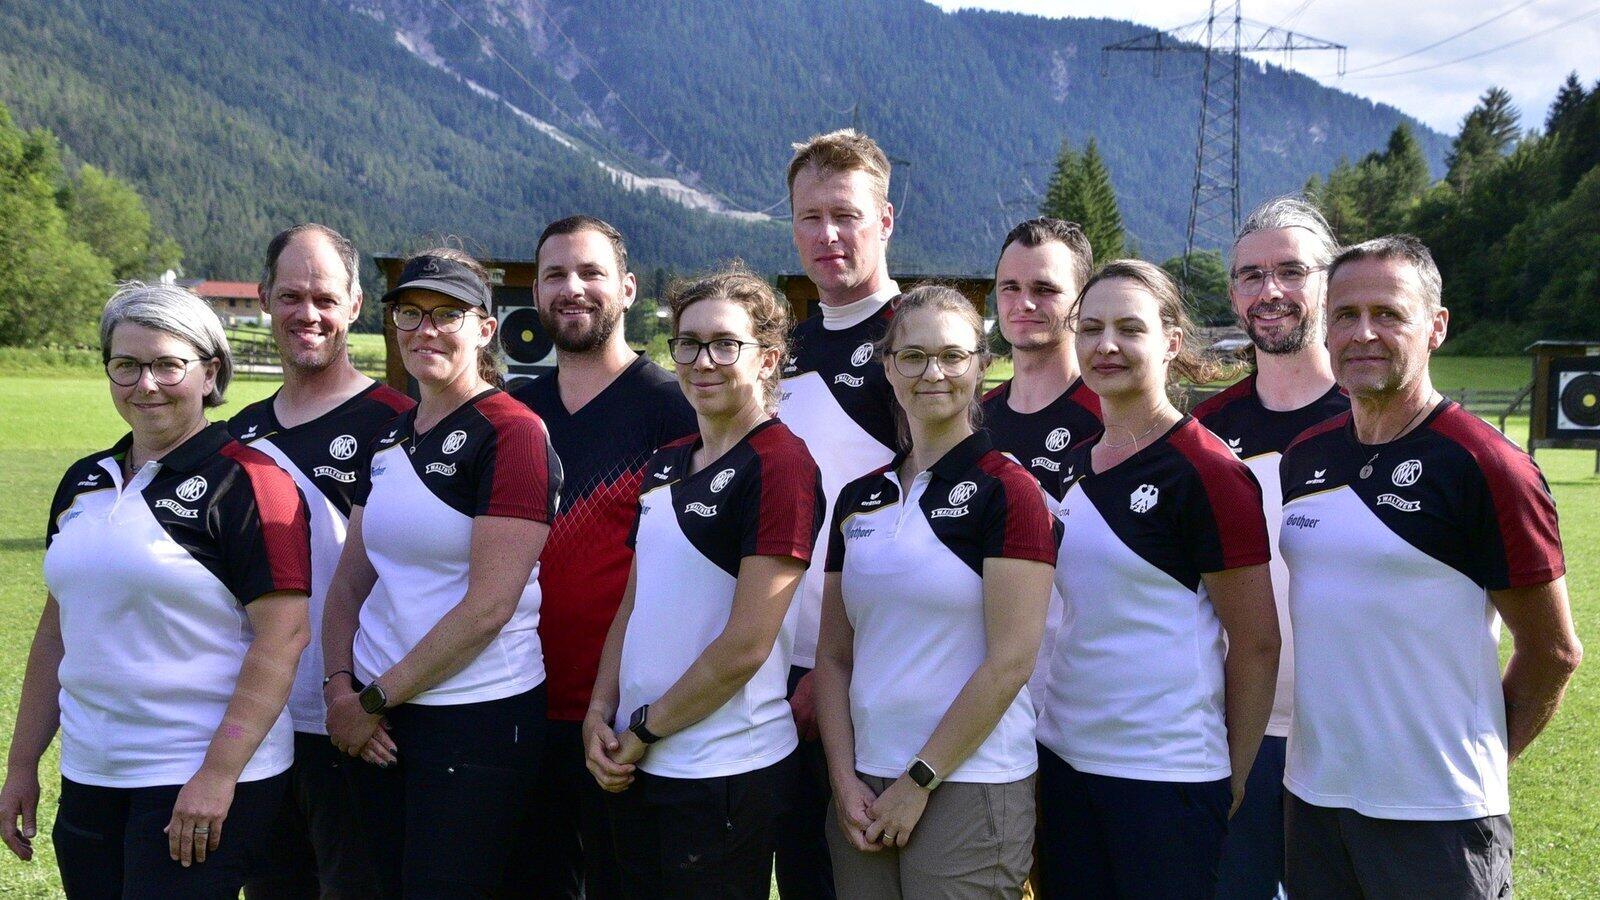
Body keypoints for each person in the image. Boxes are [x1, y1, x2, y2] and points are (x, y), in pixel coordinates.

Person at [1279, 235, 1581, 899]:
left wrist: (1473, 764)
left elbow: (1554, 652)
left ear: (1436, 326)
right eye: (1345, 314)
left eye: (1388, 313)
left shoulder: (1487, 465)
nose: (1363, 333)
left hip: (1439, 817)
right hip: (1313, 799)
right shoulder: (1305, 457)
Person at [0, 283, 312, 897]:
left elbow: (285, 635)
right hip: (91, 773)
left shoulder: (252, 482)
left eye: (169, 364)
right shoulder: (84, 480)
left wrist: (218, 774)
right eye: (127, 365)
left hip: (197, 777)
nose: (146, 385)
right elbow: (59, 628)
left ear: (209, 373)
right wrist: (21, 764)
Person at [320, 249, 563, 897]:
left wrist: (372, 701)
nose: (425, 329)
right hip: (376, 717)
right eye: (410, 313)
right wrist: (341, 688)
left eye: (447, 314)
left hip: (471, 721)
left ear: (485, 328)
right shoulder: (391, 436)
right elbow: (351, 582)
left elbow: (489, 607)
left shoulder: (513, 433)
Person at [1034, 260, 1279, 899]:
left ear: (1171, 341)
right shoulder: (1071, 466)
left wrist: (1233, 775)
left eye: (1129, 328)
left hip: (1164, 777)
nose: (1106, 345)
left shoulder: (1209, 470)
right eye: (1090, 328)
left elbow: (1257, 643)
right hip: (1062, 761)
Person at [584, 267, 823, 899]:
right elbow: (633, 606)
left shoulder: (781, 464)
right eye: (688, 344)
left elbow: (747, 645)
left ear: (767, 358)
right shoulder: (667, 462)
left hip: (722, 769)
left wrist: (644, 730)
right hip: (635, 760)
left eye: (725, 344)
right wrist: (599, 712)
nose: (702, 361)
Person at [815, 285, 1056, 898]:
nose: (933, 373)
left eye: (952, 356)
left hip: (969, 783)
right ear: (888, 366)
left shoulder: (1008, 491)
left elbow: (1012, 661)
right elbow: (834, 657)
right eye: (914, 356)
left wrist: (918, 781)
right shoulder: (858, 498)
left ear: (981, 365)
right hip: (864, 784)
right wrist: (842, 778)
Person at [510, 215, 695, 898]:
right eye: (555, 275)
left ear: (628, 287)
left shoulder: (677, 410)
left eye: (591, 272)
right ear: (536, 292)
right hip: (519, 702)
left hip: (627, 717)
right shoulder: (513, 415)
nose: (573, 288)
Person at [232, 223, 411, 900]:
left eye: (325, 298)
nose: (307, 313)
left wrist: (371, 700)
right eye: (290, 296)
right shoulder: (236, 436)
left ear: (355, 305)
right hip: (261, 726)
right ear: (263, 299)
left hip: (359, 723)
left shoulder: (400, 424)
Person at [1189, 196, 1347, 899]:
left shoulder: (1375, 417)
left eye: (1291, 270)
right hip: (1231, 732)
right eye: (1251, 275)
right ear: (1232, 294)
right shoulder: (1202, 431)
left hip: (1353, 737)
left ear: (1329, 283)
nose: (1269, 290)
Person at [775, 128, 902, 899]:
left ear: (884, 220)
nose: (827, 235)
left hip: (871, 673)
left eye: (846, 215)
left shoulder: (916, 344)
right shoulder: (784, 350)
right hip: (769, 668)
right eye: (810, 217)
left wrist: (832, 674)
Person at [981, 217, 1103, 705]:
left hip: (1080, 702)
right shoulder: (972, 422)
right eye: (1009, 287)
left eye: (1045, 289)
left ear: (1082, 300)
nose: (1023, 303)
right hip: (985, 700)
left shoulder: (1112, 419)